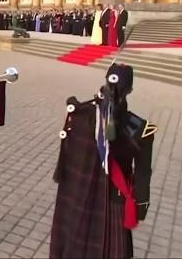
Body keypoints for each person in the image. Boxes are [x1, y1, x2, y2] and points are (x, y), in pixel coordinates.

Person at [50, 64, 156, 258]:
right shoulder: (141, 130)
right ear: (130, 90)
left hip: (77, 198)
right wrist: (140, 209)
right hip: (113, 203)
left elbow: (68, 160)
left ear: (105, 81)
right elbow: (142, 174)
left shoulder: (80, 115)